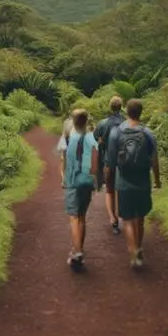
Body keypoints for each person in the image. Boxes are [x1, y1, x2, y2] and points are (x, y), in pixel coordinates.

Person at [104, 98, 161, 270]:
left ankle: (134, 251)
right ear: (141, 112)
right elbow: (155, 161)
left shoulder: (116, 132)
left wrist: (107, 178)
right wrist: (157, 180)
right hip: (143, 181)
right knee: (140, 218)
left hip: (124, 182)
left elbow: (110, 162)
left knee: (128, 220)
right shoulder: (148, 133)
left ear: (127, 112)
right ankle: (139, 246)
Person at [61, 108, 99, 270]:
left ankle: (77, 252)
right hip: (87, 181)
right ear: (86, 120)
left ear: (73, 121)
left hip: (73, 182)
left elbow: (64, 160)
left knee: (74, 217)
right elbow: (95, 163)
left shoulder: (69, 138)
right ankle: (79, 249)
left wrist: (63, 177)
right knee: (82, 216)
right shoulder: (91, 139)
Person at [94, 96, 126, 235]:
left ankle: (113, 219)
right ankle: (122, 217)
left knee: (110, 191)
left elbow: (97, 138)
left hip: (108, 161)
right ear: (121, 106)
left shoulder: (103, 124)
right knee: (122, 191)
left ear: (110, 106)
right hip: (125, 161)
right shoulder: (127, 123)